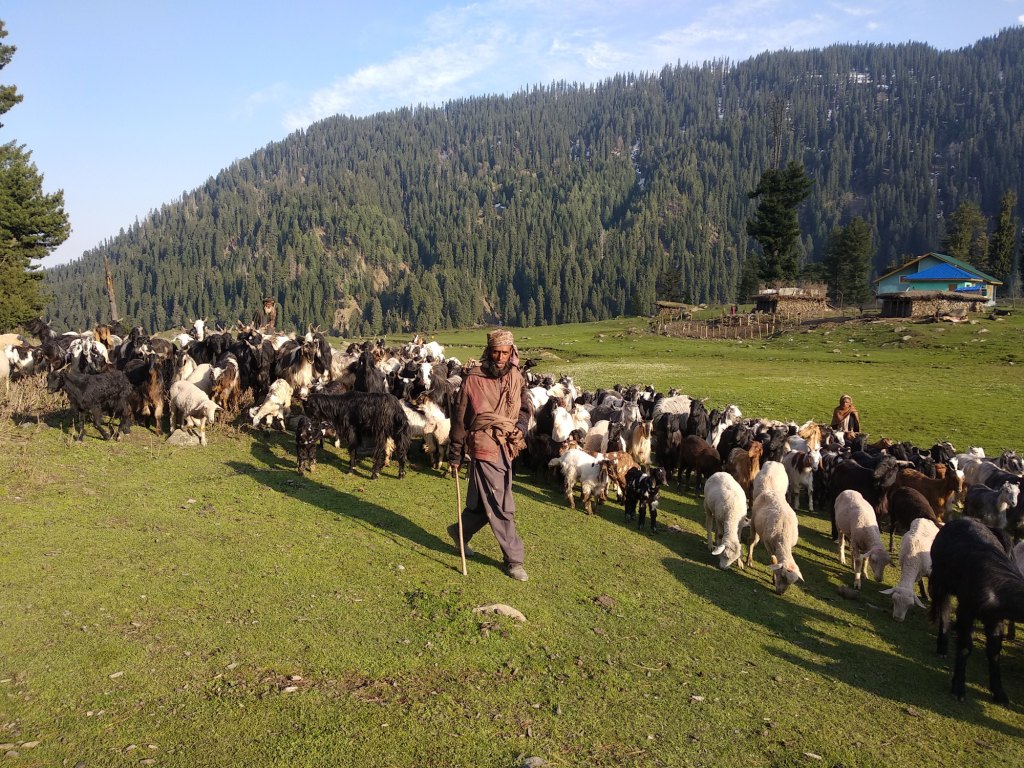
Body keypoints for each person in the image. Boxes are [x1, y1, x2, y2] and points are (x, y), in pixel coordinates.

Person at [447, 328, 531, 581]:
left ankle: (460, 532)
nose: (500, 357)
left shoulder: (516, 376)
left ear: (511, 351)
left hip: (508, 444)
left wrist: (521, 426)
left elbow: (525, 408)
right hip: (484, 443)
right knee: (501, 504)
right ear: (488, 351)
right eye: (496, 352)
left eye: (505, 352)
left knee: (485, 501)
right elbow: (460, 418)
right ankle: (514, 560)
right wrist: (455, 453)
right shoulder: (474, 378)